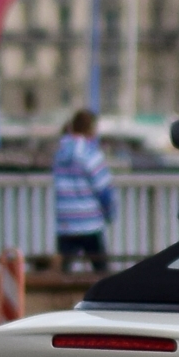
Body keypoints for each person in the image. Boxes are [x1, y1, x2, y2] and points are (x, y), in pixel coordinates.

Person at [52, 109, 115, 273]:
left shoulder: (60, 154)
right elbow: (103, 190)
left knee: (63, 273)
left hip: (65, 221)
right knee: (101, 272)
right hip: (90, 221)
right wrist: (109, 213)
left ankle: (60, 298)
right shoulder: (91, 154)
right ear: (91, 130)